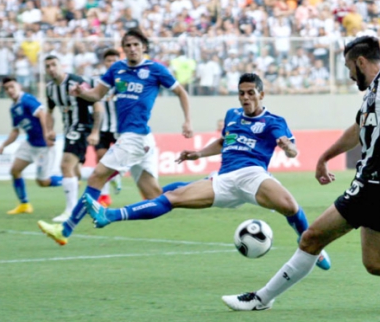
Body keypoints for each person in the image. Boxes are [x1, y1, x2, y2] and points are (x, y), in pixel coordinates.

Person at [221, 34, 380, 312]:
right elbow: (356, 131)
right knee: (377, 262)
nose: (350, 75)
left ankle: (261, 299)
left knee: (312, 238)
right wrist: (325, 157)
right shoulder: (373, 93)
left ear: (361, 61)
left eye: (349, 68)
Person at [84, 73, 331, 270]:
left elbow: (292, 151)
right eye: (241, 93)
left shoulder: (273, 121)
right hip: (223, 179)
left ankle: (312, 247)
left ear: (261, 94)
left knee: (291, 206)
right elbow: (224, 142)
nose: (245, 98)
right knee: (172, 197)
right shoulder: (232, 115)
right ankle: (109, 215)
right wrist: (198, 154)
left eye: (251, 93)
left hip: (252, 175)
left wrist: (288, 148)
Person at [37, 29, 193, 245]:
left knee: (96, 177)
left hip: (135, 137)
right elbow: (96, 95)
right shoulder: (117, 69)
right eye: (128, 45)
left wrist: (187, 121)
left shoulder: (155, 69)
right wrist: (81, 92)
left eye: (136, 44)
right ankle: (203, 185)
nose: (132, 49)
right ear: (123, 49)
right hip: (139, 139)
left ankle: (65, 229)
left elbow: (181, 92)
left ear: (144, 47)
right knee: (154, 196)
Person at [44, 55, 104, 223]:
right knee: (75, 172)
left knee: (65, 165)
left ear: (61, 65)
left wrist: (95, 132)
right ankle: (109, 174)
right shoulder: (50, 88)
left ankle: (71, 211)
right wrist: (49, 130)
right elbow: (49, 112)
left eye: (54, 65)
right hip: (68, 129)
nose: (51, 69)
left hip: (82, 127)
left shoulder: (77, 82)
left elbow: (97, 104)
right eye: (47, 66)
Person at [0, 77, 63, 214]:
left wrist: (47, 134)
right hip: (30, 144)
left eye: (12, 86)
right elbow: (15, 131)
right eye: (6, 88)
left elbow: (43, 115)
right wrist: (4, 145)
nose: (10, 90)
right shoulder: (13, 108)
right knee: (15, 170)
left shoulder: (26, 99)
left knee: (43, 182)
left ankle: (69, 180)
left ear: (19, 86)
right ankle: (24, 204)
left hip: (44, 146)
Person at [93, 49, 122, 206]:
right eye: (108, 60)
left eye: (114, 60)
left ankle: (115, 176)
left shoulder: (124, 80)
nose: (111, 63)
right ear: (104, 63)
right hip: (102, 128)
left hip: (119, 127)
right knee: (101, 159)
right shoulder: (97, 81)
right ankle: (104, 196)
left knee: (119, 160)